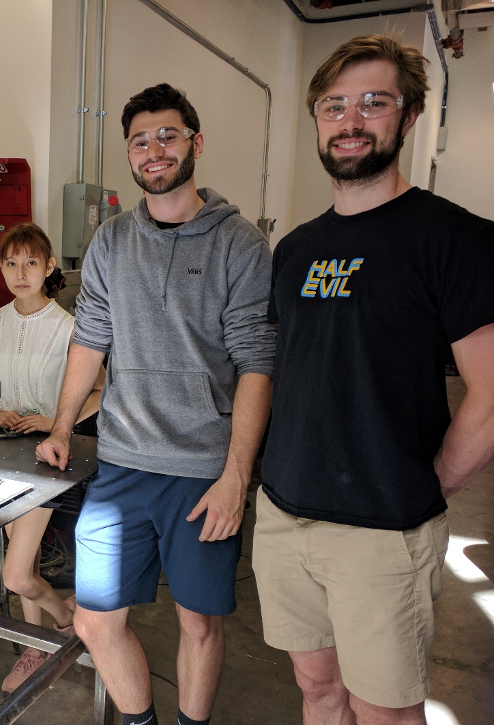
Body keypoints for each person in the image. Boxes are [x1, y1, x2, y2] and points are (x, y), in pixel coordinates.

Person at [252, 34, 494, 725]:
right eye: (334, 106)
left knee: (385, 710)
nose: (350, 120)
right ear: (318, 121)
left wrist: (429, 482)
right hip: (285, 515)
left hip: (382, 532)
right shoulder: (295, 249)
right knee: (318, 691)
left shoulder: (456, 239)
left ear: (408, 116)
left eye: (373, 102)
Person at [37, 83, 276, 725]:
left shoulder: (241, 243)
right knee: (94, 619)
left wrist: (235, 477)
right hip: (122, 465)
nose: (154, 149)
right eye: (140, 140)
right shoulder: (112, 241)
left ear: (196, 143)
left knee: (198, 622)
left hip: (202, 471)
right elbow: (90, 339)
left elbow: (257, 362)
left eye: (167, 135)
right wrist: (62, 426)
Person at [0, 222, 103, 694]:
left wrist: (56, 421)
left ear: (49, 267)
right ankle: (39, 643)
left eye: (31, 262)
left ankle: (64, 618)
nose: (21, 272)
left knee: (14, 574)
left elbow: (103, 389)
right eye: (11, 263)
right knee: (21, 564)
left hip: (47, 459)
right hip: (2, 453)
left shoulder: (70, 326)